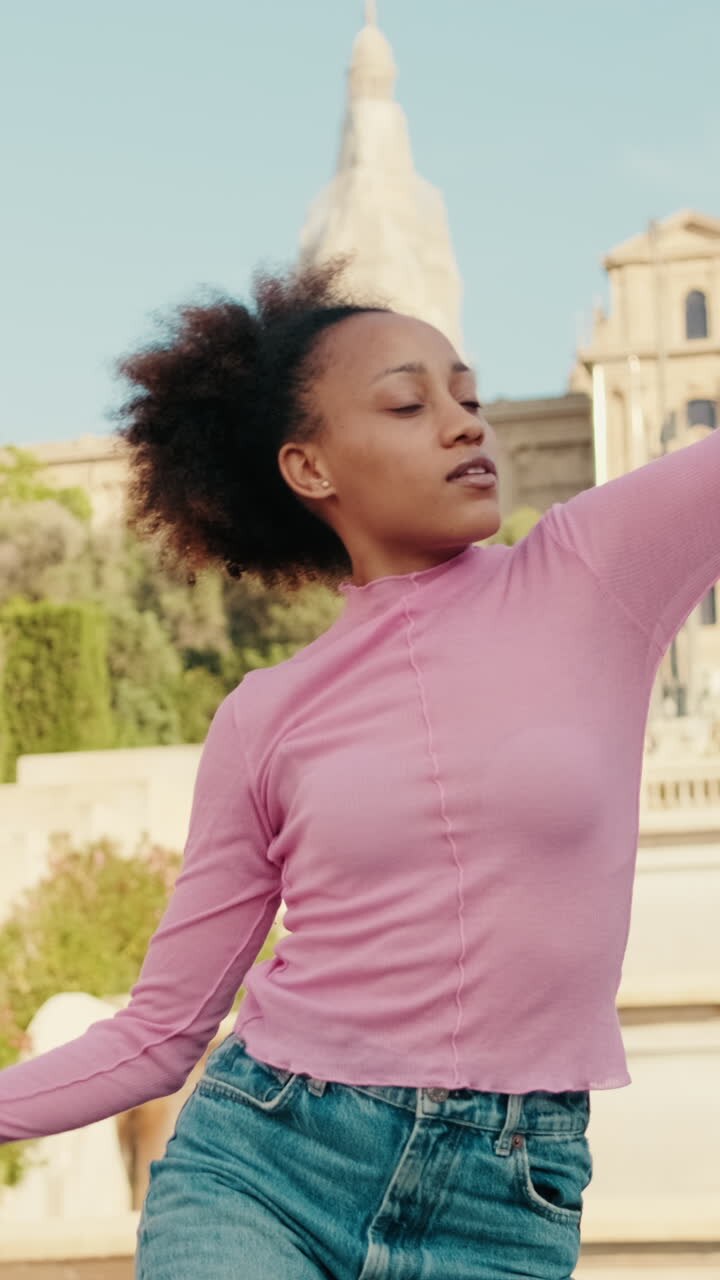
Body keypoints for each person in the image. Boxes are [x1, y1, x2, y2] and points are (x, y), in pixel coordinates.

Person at [1, 261, 719, 1280]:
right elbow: (158, 1034)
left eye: (468, 398)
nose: (465, 425)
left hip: (505, 1203)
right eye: (408, 404)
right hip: (264, 1166)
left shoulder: (592, 573)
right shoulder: (264, 716)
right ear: (310, 467)